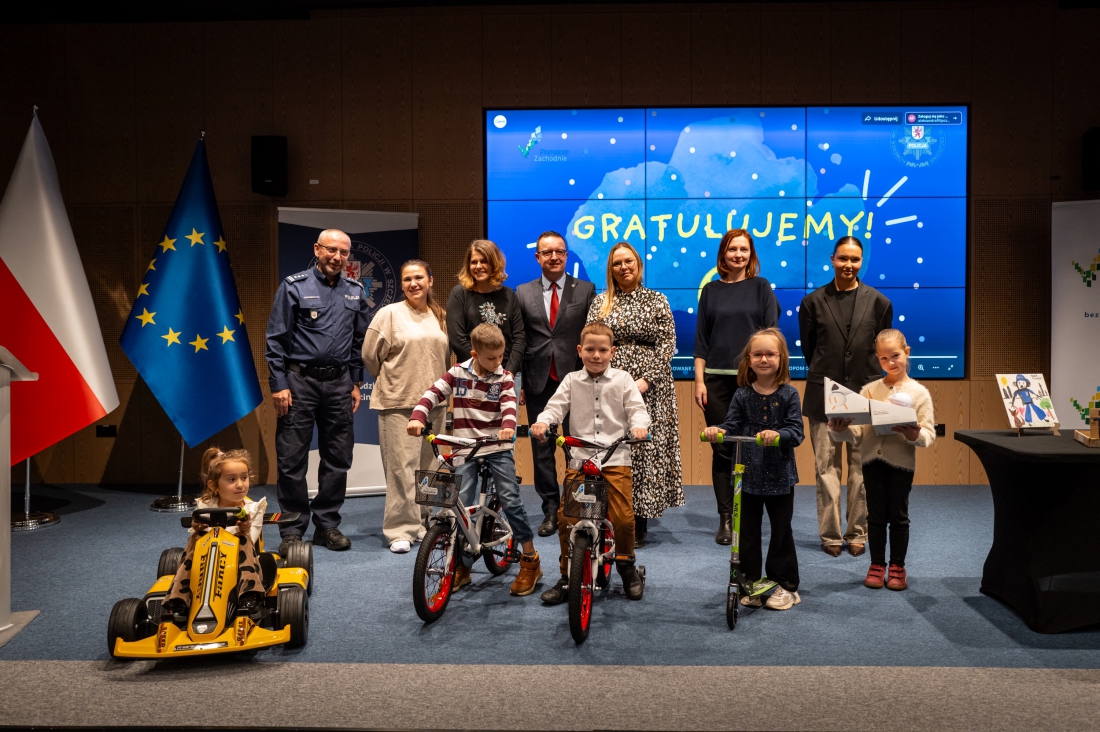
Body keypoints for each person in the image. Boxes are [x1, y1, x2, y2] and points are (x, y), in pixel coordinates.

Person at [408, 323, 542, 596]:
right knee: (461, 505)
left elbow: (509, 406)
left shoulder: (504, 377)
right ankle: (462, 565)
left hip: (496, 446)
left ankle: (530, 559)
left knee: (510, 498)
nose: (498, 362)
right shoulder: (457, 373)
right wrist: (417, 417)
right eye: (491, 358)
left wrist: (508, 426)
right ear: (474, 354)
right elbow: (432, 393)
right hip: (465, 448)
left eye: (501, 356)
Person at [530, 322, 651, 603]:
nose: (596, 355)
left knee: (623, 518)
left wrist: (639, 427)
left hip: (615, 458)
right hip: (580, 459)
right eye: (590, 349)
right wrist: (543, 422)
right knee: (566, 519)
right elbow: (554, 407)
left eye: (603, 350)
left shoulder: (623, 379)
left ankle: (626, 566)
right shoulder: (571, 380)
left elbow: (637, 410)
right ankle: (566, 577)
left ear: (613, 352)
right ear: (579, 350)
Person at [266, 228, 368, 555]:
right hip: (299, 383)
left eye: (343, 252)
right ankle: (292, 529)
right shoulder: (293, 286)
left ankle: (327, 525)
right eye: (331, 250)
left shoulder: (355, 291)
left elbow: (359, 341)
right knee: (291, 458)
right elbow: (275, 340)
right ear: (317, 249)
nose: (337, 257)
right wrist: (279, 385)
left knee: (338, 457)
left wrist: (356, 382)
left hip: (339, 385)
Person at [798, 236, 892, 558]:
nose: (848, 265)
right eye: (843, 259)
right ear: (832, 260)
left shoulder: (879, 302)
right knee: (826, 468)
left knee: (860, 468)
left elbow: (882, 351)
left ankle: (857, 532)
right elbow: (810, 350)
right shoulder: (812, 302)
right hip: (823, 396)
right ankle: (831, 535)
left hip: (866, 397)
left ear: (861, 261)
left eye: (854, 259)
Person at [587, 241, 683, 547]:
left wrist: (646, 381)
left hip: (651, 388)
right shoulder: (600, 302)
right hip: (609, 385)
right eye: (617, 263)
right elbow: (591, 341)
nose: (623, 267)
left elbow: (667, 344)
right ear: (610, 269)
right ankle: (606, 517)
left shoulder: (657, 300)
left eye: (628, 261)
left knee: (642, 451)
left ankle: (637, 521)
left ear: (638, 265)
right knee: (611, 447)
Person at [704, 328, 804, 611]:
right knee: (746, 532)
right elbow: (731, 425)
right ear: (748, 359)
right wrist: (718, 431)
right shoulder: (742, 394)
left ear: (781, 358)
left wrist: (779, 434)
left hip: (780, 476)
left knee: (781, 531)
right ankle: (749, 581)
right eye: (757, 354)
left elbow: (796, 431)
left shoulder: (789, 394)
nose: (764, 359)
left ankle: (785, 585)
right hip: (746, 477)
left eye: (770, 354)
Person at [828, 329, 936, 592]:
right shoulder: (869, 390)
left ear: (907, 352)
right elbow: (857, 432)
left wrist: (914, 434)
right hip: (871, 463)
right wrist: (840, 429)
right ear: (877, 358)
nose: (890, 362)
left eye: (895, 355)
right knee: (874, 516)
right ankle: (877, 565)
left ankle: (897, 566)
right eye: (884, 358)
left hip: (901, 465)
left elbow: (929, 434)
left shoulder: (919, 393)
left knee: (898, 516)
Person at [694, 229, 780, 545]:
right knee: (723, 448)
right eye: (732, 249)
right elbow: (701, 340)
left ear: (750, 255)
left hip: (753, 380)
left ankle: (749, 515)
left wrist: (768, 378)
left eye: (744, 250)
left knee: (753, 448)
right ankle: (726, 519)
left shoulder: (761, 287)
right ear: (723, 254)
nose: (738, 255)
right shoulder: (711, 290)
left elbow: (771, 337)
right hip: (715, 381)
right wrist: (699, 381)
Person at [364, 260, 450, 554]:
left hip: (435, 404)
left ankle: (424, 522)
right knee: (401, 469)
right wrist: (395, 380)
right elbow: (370, 356)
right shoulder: (389, 314)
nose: (413, 283)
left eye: (419, 278)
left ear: (430, 281)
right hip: (399, 402)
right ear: (401, 284)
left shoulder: (440, 315)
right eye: (407, 279)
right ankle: (400, 529)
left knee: (430, 467)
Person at [516, 230, 596, 537]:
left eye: (559, 252)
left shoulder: (585, 290)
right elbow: (520, 339)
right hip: (538, 381)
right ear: (537, 257)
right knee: (542, 450)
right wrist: (520, 383)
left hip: (576, 382)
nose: (554, 257)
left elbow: (591, 336)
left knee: (577, 448)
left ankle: (576, 509)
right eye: (547, 252)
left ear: (566, 255)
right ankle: (550, 510)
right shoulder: (522, 292)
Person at [161, 448, 267, 618]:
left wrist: (244, 528)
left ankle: (250, 594)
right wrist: (196, 526)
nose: (240, 484)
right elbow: (200, 532)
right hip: (209, 555)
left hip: (238, 558)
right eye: (232, 479)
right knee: (196, 539)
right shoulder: (205, 505)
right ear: (214, 486)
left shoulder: (254, 509)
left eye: (244, 477)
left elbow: (252, 538)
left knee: (243, 540)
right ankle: (179, 597)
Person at [446, 239, 526, 376]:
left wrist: (510, 372)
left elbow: (519, 338)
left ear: (494, 263)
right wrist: (481, 369)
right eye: (473, 262)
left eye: (484, 261)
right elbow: (457, 339)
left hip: (507, 374)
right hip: (472, 373)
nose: (478, 266)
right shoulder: (459, 294)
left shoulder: (509, 295)